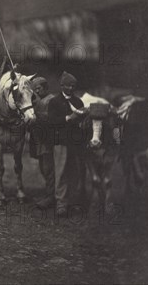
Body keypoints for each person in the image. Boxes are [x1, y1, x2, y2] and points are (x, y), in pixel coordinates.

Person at [48, 71, 86, 215]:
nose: (71, 88)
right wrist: (68, 118)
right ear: (61, 85)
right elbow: (51, 122)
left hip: (75, 143)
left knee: (74, 171)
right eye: (68, 86)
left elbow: (82, 121)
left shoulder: (78, 102)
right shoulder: (55, 102)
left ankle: (73, 201)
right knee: (61, 171)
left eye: (73, 86)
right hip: (61, 142)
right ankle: (61, 203)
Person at [28, 77, 56, 209]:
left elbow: (51, 120)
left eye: (38, 89)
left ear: (45, 88)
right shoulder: (37, 100)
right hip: (38, 140)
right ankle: (49, 194)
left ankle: (51, 197)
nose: (36, 92)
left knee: (48, 169)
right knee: (43, 168)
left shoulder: (52, 100)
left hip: (47, 140)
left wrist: (36, 117)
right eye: (34, 90)